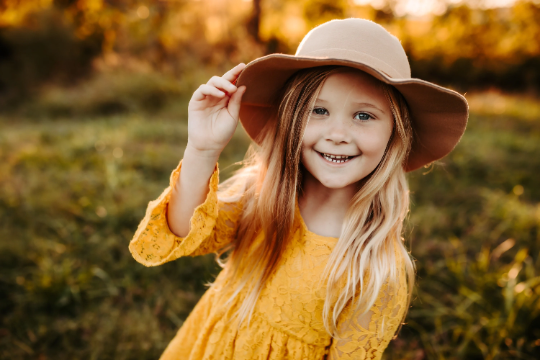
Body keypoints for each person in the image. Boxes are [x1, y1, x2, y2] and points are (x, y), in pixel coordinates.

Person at [129, 18, 468, 360]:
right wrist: (202, 150)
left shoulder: (376, 270)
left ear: (396, 135)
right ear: (290, 120)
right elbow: (181, 232)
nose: (338, 133)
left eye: (364, 116)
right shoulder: (259, 195)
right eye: (318, 110)